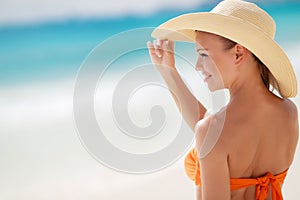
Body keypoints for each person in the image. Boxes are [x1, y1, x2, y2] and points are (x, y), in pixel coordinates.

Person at [147, 0, 299, 199]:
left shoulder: (214, 131)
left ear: (238, 53)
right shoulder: (288, 113)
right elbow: (216, 134)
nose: (197, 66)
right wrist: (169, 72)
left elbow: (216, 135)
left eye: (203, 55)